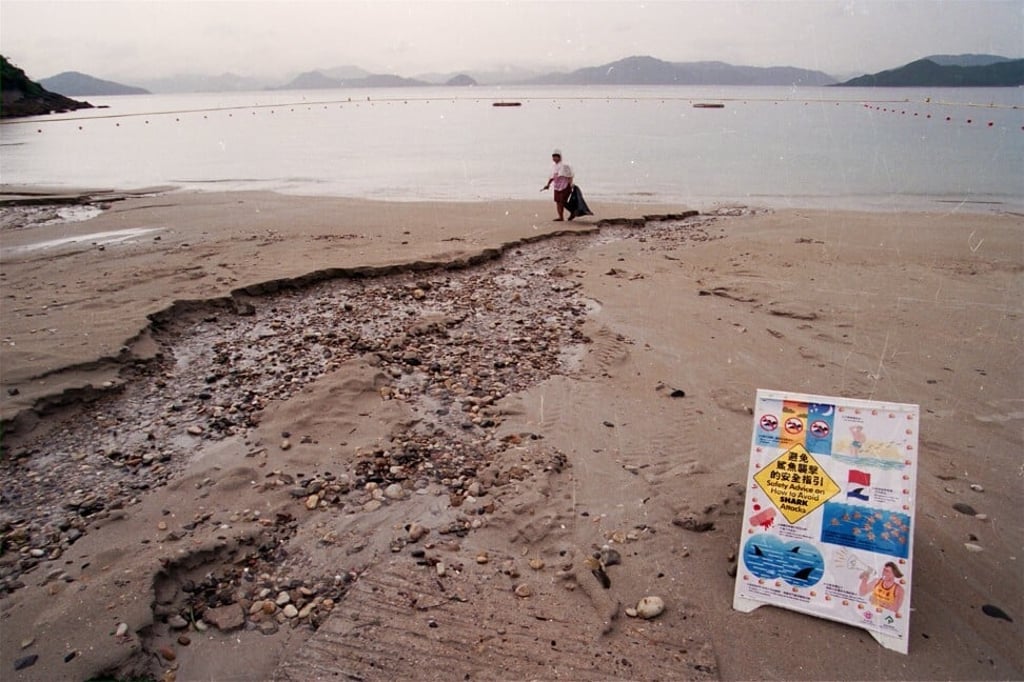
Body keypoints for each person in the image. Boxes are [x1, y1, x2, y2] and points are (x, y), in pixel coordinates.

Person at [541, 149, 574, 221]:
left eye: (556, 157)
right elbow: (552, 177)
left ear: (560, 157)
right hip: (557, 187)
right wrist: (548, 185)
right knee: (557, 202)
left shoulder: (564, 166)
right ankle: (560, 217)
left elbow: (570, 175)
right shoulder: (554, 166)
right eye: (553, 157)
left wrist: (571, 184)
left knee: (563, 202)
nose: (554, 158)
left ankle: (573, 212)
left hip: (564, 186)